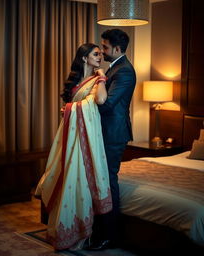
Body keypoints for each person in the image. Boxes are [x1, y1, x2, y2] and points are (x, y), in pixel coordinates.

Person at [35, 43, 113, 251]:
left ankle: (81, 232)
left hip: (86, 139)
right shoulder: (76, 81)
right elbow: (71, 106)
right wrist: (69, 110)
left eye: (100, 53)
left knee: (77, 176)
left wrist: (102, 76)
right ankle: (63, 229)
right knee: (63, 173)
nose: (100, 56)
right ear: (84, 58)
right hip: (69, 135)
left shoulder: (98, 80)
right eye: (96, 54)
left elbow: (100, 99)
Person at [89, 29, 136, 250]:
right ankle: (100, 230)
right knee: (102, 181)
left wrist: (99, 80)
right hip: (106, 132)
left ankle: (110, 235)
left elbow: (107, 104)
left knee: (107, 182)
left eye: (105, 47)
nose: (102, 51)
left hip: (114, 134)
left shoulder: (124, 71)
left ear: (117, 48)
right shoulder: (115, 67)